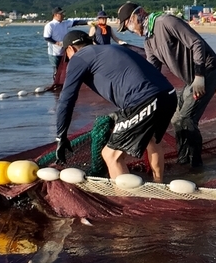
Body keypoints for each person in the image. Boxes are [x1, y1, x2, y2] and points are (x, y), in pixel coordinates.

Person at [115, 1, 216, 172]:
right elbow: (153, 72)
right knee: (175, 118)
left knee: (186, 118)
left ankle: (195, 165)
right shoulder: (149, 41)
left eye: (129, 23)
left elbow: (197, 43)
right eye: (126, 27)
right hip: (192, 80)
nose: (130, 29)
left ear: (139, 14)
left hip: (208, 71)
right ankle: (184, 159)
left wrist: (199, 76)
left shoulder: (165, 22)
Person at [53, 30, 177, 182]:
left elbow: (66, 99)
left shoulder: (79, 57)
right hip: (169, 94)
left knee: (110, 155)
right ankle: (159, 185)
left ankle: (126, 202)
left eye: (67, 57)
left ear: (70, 49)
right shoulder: (112, 48)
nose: (69, 61)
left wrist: (61, 136)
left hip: (144, 100)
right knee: (152, 140)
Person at [42, 7, 76, 72]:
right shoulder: (50, 25)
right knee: (56, 71)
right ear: (56, 15)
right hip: (54, 53)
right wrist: (57, 43)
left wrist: (88, 22)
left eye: (63, 13)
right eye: (61, 14)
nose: (63, 15)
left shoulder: (65, 23)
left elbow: (76, 22)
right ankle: (56, 82)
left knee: (66, 69)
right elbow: (47, 38)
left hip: (64, 52)